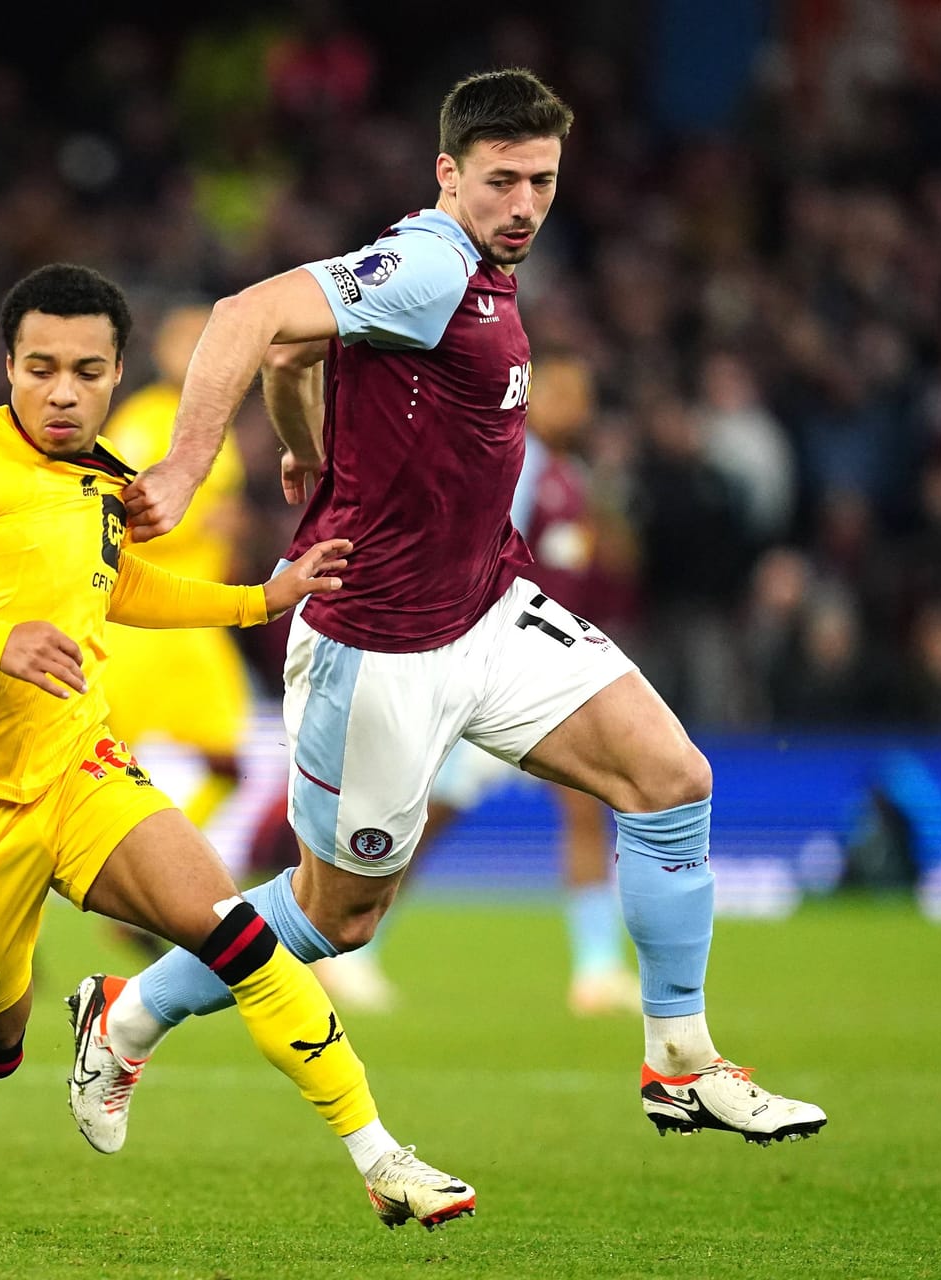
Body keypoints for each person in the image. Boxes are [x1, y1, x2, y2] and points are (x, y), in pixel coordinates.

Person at [69, 69, 826, 1151]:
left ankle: (681, 1060)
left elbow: (297, 355)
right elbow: (250, 316)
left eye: (544, 180)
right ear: (448, 173)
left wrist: (302, 441)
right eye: (502, 178)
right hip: (377, 642)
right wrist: (191, 467)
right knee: (337, 914)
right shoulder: (428, 263)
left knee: (671, 779)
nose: (525, 203)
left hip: (488, 603)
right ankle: (127, 1011)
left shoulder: (477, 270)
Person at [0, 263, 474, 1231]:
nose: (63, 391)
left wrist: (258, 598)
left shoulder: (105, 475)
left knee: (240, 935)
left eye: (86, 370)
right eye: (40, 368)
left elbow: (116, 586)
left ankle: (379, 1154)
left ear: (118, 373)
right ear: (8, 365)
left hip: (78, 770)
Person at [297, 354, 645, 1018]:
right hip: (488, 670)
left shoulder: (570, 478)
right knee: (421, 820)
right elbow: (469, 551)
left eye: (582, 393)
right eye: (560, 390)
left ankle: (597, 969)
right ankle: (346, 950)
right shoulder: (517, 462)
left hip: (539, 672)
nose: (573, 404)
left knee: (580, 803)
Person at [99, 302, 254, 959]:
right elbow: (123, 515)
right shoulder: (142, 422)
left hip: (196, 624)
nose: (196, 356)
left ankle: (154, 884)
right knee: (99, 772)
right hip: (140, 623)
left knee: (229, 766)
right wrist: (202, 526)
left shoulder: (219, 431)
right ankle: (102, 892)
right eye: (184, 342)